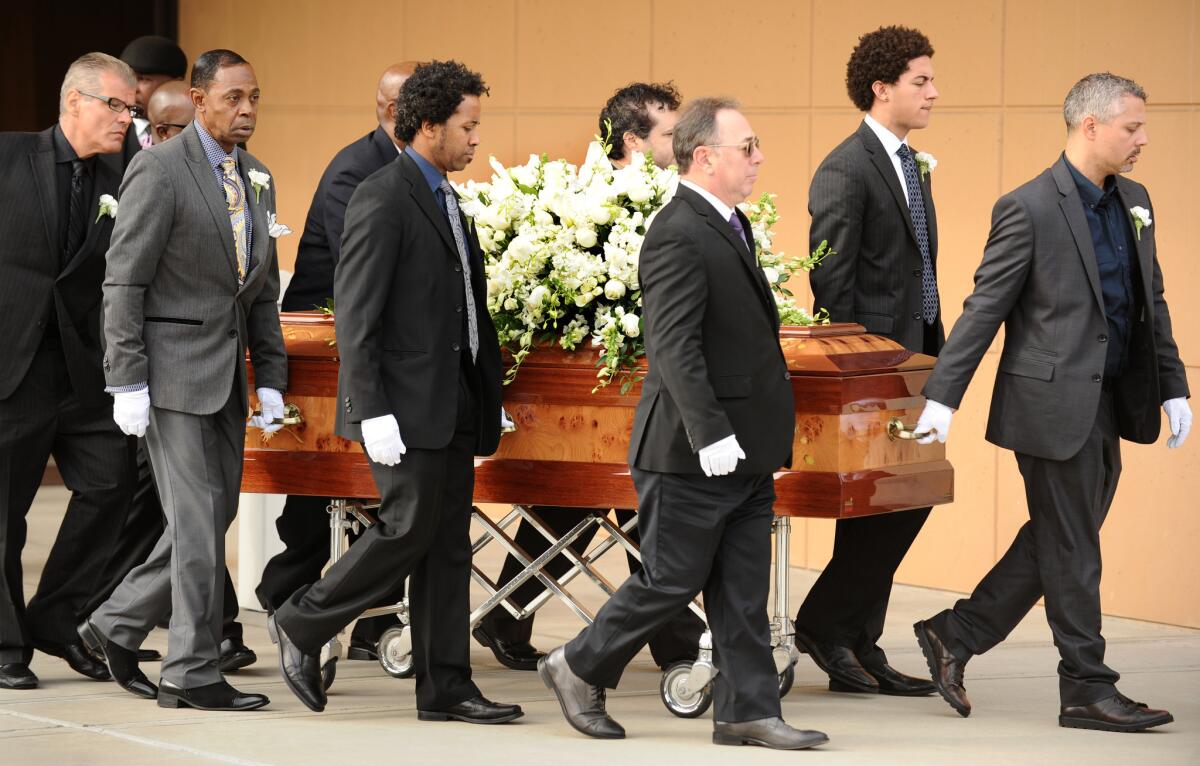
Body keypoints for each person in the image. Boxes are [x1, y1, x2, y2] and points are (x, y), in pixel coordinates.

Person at [539, 97, 827, 750]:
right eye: (747, 147)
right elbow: (673, 345)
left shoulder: (730, 224)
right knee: (669, 579)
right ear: (705, 157)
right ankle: (577, 664)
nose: (758, 159)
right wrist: (711, 433)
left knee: (742, 588)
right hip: (691, 451)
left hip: (745, 449)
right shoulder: (678, 230)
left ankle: (748, 710)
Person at [911, 72, 1190, 733]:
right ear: (1090, 127)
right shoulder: (1029, 206)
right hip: (1049, 405)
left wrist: (1174, 384)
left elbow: (1151, 302)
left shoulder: (1137, 200)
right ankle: (1086, 687)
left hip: (1111, 400)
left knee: (1062, 540)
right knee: (1074, 548)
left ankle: (956, 633)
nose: (1143, 139)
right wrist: (943, 397)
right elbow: (985, 307)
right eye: (1133, 127)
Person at [271, 60, 522, 725]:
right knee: (408, 527)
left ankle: (446, 686)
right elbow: (357, 313)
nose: (476, 140)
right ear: (431, 125)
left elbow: (465, 307)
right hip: (403, 408)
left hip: (451, 401)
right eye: (468, 127)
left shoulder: (445, 195)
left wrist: (485, 387)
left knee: (447, 544)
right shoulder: (383, 196)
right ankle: (302, 619)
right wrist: (371, 407)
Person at [81, 49, 287, 713]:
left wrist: (273, 379)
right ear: (199, 101)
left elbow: (257, 293)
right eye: (233, 98)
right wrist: (127, 380)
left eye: (254, 97)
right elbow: (124, 279)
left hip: (226, 380)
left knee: (211, 517)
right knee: (199, 527)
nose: (248, 109)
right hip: (168, 378)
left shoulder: (258, 178)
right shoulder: (160, 170)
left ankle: (115, 622)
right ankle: (190, 672)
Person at [476, 81, 704, 674]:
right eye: (668, 135)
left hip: (632, 380)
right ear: (632, 141)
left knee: (588, 507)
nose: (680, 145)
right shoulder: (585, 204)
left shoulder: (675, 198)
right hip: (600, 383)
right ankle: (679, 642)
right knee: (607, 503)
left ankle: (507, 615)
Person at [792, 25, 940, 697]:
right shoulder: (845, 168)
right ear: (881, 89)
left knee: (905, 500)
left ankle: (858, 641)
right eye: (921, 81)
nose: (933, 92)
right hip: (872, 370)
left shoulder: (910, 163)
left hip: (918, 362)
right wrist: (863, 370)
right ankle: (826, 624)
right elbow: (832, 286)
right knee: (881, 503)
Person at [256, 63, 418, 663]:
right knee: (322, 492)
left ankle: (365, 623)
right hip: (326, 344)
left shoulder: (411, 165)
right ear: (383, 107)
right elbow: (371, 266)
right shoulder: (358, 169)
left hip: (371, 343)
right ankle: (286, 596)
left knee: (372, 491)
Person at [0, 52, 138, 690]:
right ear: (74, 101)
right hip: (14, 369)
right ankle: (5, 644)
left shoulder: (131, 171)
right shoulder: (10, 157)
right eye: (116, 105)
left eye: (131, 107)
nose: (126, 117)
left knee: (112, 487)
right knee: (6, 512)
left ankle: (56, 620)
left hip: (88, 373)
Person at [118, 35, 187, 156]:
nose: (133, 88)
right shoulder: (108, 133)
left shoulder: (196, 134)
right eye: (128, 78)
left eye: (143, 79)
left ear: (176, 83)